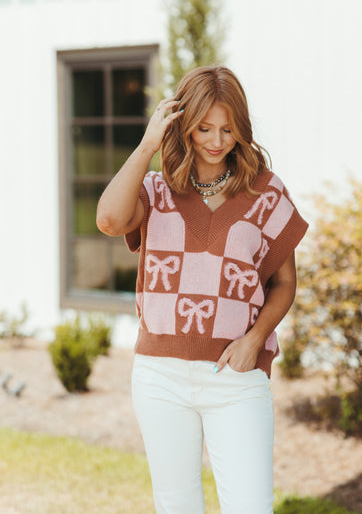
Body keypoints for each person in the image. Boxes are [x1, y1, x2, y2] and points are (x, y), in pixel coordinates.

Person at [96, 65, 308, 514]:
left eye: (228, 129)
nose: (216, 140)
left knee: (251, 507)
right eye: (203, 128)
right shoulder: (155, 191)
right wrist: (148, 144)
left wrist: (254, 341)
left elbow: (285, 283)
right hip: (159, 378)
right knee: (177, 507)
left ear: (241, 129)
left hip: (235, 377)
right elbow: (110, 220)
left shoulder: (266, 193)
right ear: (183, 126)